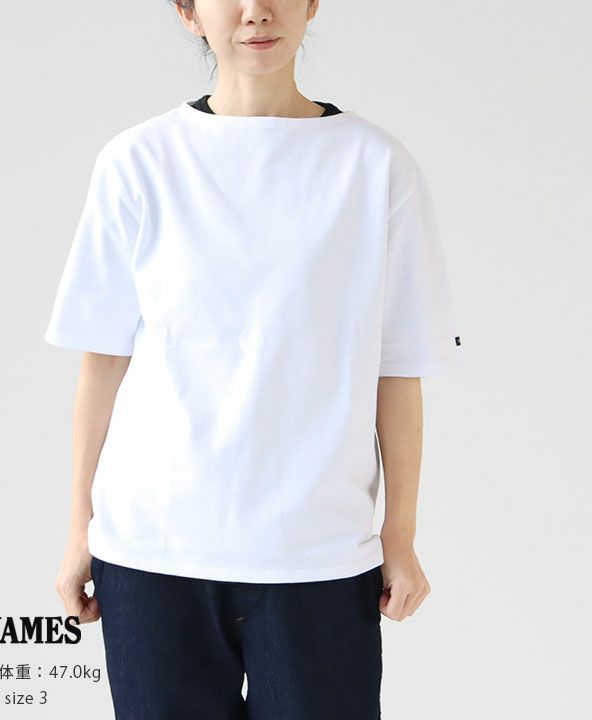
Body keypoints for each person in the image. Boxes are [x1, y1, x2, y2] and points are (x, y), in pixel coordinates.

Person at [44, 1, 464, 717]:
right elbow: (103, 362)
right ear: (188, 13)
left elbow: (398, 369)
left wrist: (400, 533)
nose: (255, 12)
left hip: (318, 554)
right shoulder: (139, 162)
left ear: (312, 4)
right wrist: (78, 527)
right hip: (152, 552)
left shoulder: (376, 166)